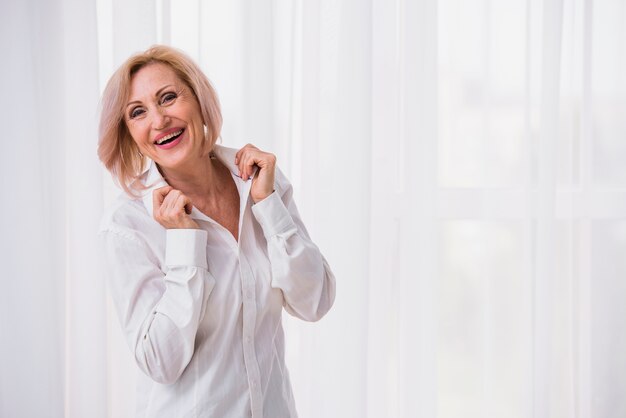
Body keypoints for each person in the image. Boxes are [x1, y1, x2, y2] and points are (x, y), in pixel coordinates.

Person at [97, 45, 336, 418]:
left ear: (199, 98)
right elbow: (160, 361)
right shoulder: (128, 224)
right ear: (129, 133)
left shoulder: (260, 182)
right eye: (138, 112)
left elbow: (315, 301)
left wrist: (269, 205)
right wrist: (184, 246)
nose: (159, 120)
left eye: (169, 97)